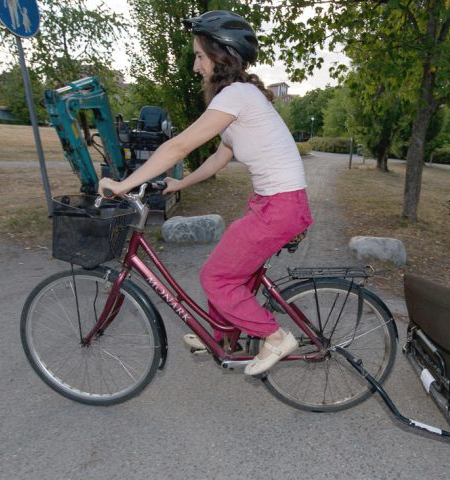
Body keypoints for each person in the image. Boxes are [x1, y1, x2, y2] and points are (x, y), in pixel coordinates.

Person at [97, 10, 313, 376]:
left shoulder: (237, 95)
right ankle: (222, 334)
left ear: (220, 55)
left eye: (199, 56)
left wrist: (123, 184)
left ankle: (275, 337)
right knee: (230, 268)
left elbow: (177, 147)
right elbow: (218, 157)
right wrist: (180, 184)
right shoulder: (239, 101)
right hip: (273, 204)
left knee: (216, 277)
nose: (196, 66)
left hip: (280, 207)